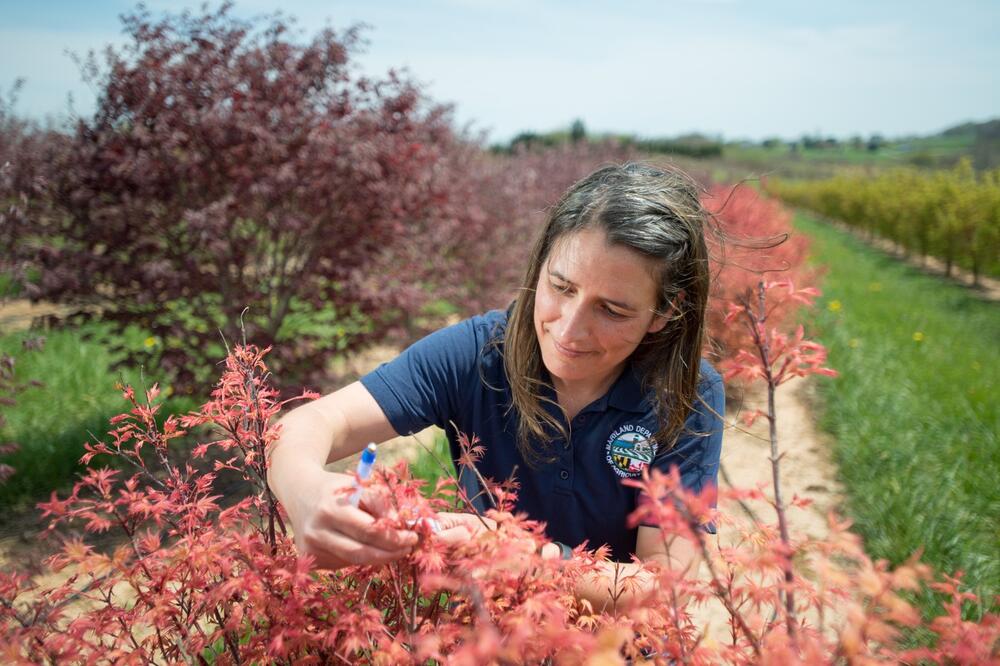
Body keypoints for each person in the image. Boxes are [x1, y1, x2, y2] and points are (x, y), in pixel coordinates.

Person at [266, 162, 724, 611]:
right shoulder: (479, 354)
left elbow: (664, 583)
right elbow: (317, 420)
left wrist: (520, 557)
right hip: (488, 635)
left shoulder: (685, 394)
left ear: (665, 312)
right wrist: (306, 490)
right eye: (561, 287)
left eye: (613, 311)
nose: (569, 330)